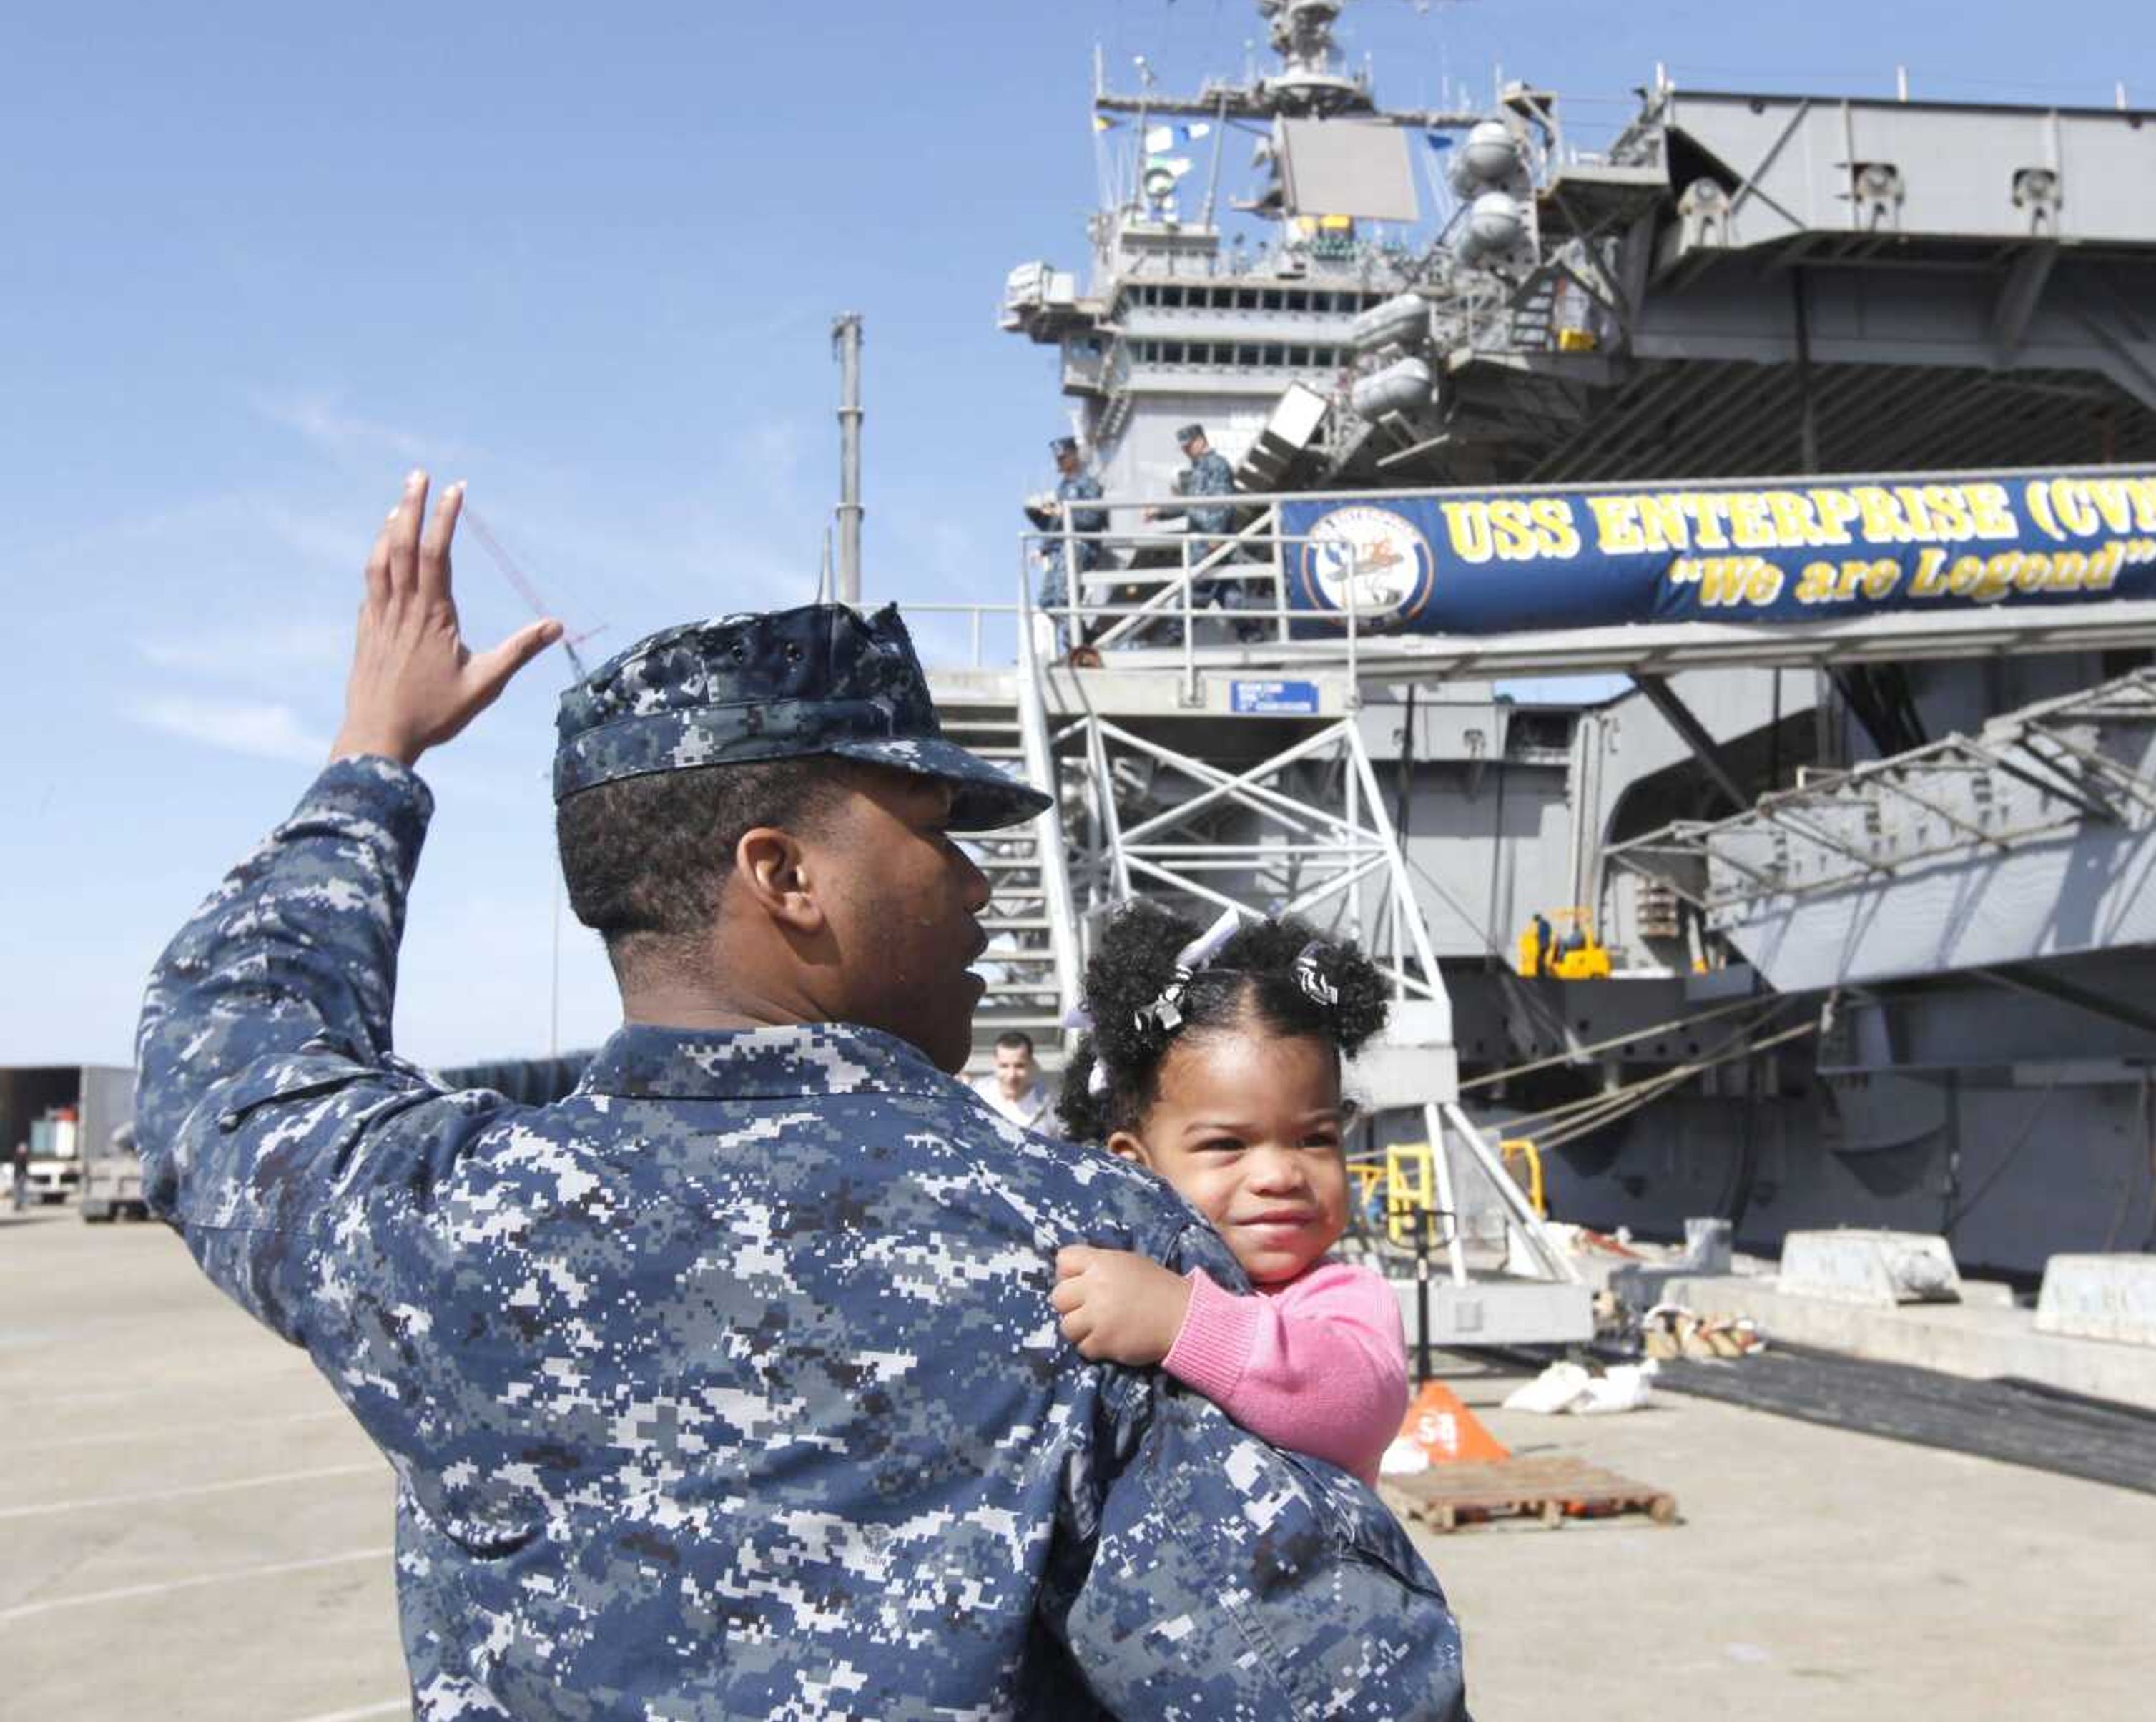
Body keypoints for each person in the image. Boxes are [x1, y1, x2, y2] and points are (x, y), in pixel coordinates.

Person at [133, 472, 1465, 1718]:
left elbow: (225, 1063)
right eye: (936, 829)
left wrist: (374, 757)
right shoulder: (1078, 1249)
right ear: (784, 877)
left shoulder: (429, 1220)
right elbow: (1341, 1687)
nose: (978, 884)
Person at [1048, 904, 1409, 1486]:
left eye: (1314, 1138)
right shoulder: (1102, 1273)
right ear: (1133, 1164)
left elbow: (1362, 1406)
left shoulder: (1342, 1298)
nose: (1279, 1175)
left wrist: (1181, 1321)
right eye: (1227, 1145)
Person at [1146, 424, 1267, 641]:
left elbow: (1223, 504)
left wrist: (1216, 537)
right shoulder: (1198, 469)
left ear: (1200, 441)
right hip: (1203, 541)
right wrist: (1161, 512)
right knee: (1225, 590)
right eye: (1184, 447)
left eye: (1188, 446)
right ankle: (1250, 632)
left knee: (1197, 585)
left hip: (1209, 541)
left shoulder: (1216, 466)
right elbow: (1191, 506)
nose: (1186, 451)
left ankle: (1176, 633)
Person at [1027, 434, 1109, 642]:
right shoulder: (1063, 487)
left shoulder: (1089, 484)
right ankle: (1079, 634)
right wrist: (1043, 549)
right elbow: (1057, 525)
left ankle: (1077, 640)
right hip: (1062, 549)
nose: (1060, 462)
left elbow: (1094, 519)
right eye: (1057, 459)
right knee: (1047, 600)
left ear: (1074, 456)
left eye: (1063, 458)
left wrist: (1067, 514)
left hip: (1081, 545)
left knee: (1064, 596)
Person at [972, 1028, 1063, 1138]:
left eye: (1019, 1066)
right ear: (995, 1064)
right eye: (1004, 1066)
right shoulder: (975, 1097)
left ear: (1032, 1064)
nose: (1012, 1075)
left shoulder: (1052, 1107)